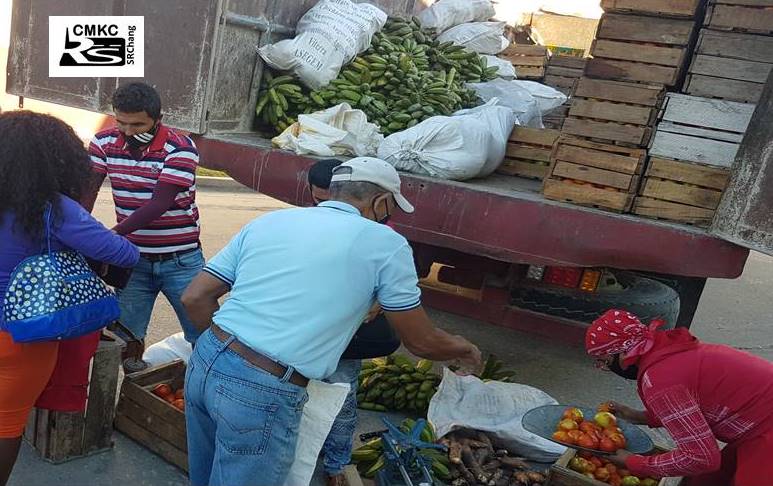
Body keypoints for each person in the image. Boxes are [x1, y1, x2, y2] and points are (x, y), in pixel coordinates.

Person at [181, 157, 482, 486]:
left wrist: (228, 353)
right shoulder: (387, 244)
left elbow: (194, 298)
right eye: (391, 209)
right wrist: (463, 347)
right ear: (380, 202)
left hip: (205, 363)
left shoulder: (271, 221)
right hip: (262, 386)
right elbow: (421, 341)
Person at [0, 111, 139, 486]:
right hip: (20, 339)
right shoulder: (53, 209)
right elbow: (125, 254)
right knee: (7, 424)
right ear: (59, 159)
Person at [586, 309, 773, 485]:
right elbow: (689, 406)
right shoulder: (668, 354)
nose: (604, 368)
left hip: (765, 432)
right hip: (756, 424)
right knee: (709, 481)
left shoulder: (660, 380)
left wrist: (635, 463)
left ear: (623, 352)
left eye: (605, 361)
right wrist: (636, 416)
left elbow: (702, 458)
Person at [84, 82, 204, 348]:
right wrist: (77, 231)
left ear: (158, 119)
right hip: (133, 259)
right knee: (126, 337)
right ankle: (133, 387)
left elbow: (158, 204)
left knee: (204, 338)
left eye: (137, 125)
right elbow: (87, 192)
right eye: (121, 123)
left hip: (181, 260)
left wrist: (110, 236)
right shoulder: (103, 142)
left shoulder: (181, 148)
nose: (127, 132)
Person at [308, 159, 402, 486]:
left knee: (341, 399)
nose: (326, 207)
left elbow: (389, 295)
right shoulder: (309, 225)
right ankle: (312, 449)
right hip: (308, 332)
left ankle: (336, 464)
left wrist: (371, 307)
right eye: (319, 201)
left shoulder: (383, 235)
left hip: (348, 336)